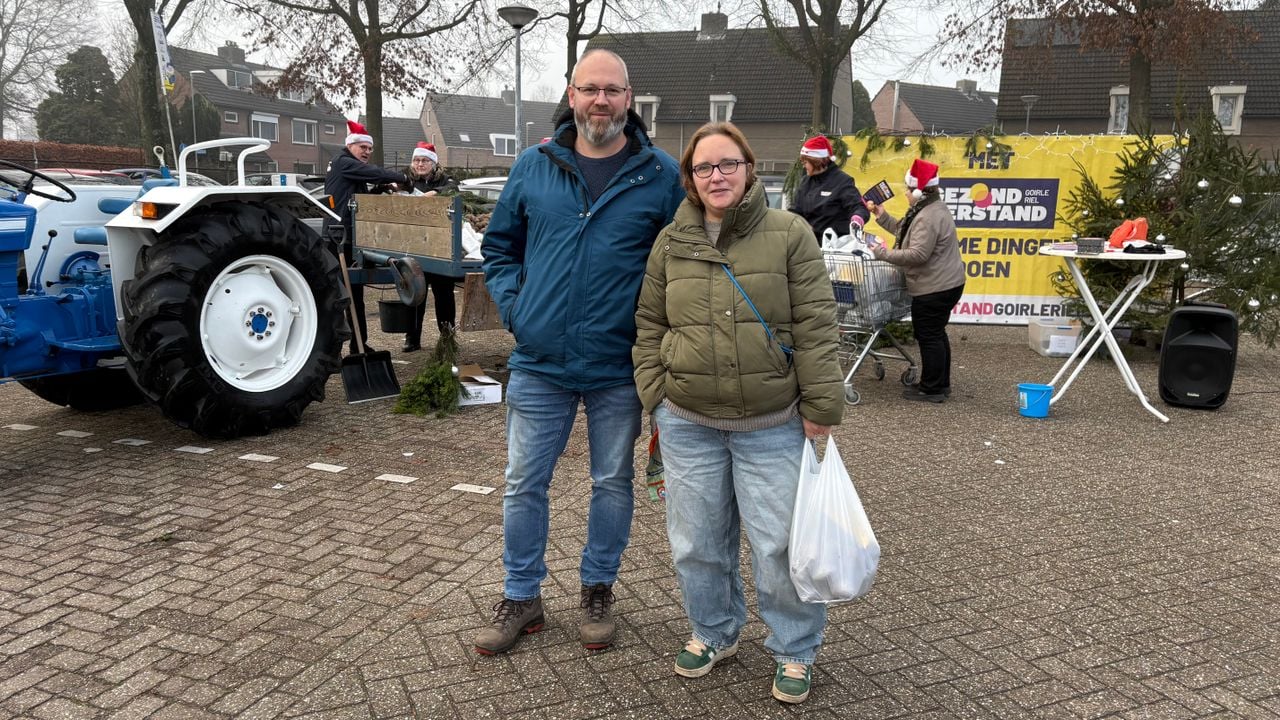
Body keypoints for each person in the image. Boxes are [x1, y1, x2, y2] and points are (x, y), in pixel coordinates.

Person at [476, 48, 685, 656]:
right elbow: (500, 248)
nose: (601, 100)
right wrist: (517, 310)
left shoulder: (659, 174)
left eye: (612, 90)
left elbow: (682, 261)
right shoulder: (534, 166)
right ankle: (522, 596)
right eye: (590, 89)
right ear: (571, 96)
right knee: (523, 483)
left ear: (629, 99)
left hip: (618, 363)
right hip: (541, 362)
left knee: (612, 482)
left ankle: (598, 588)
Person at [632, 122, 845, 705]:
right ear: (690, 179)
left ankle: (795, 646)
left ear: (750, 169)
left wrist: (821, 405)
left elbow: (817, 324)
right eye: (703, 167)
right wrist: (656, 393)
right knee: (696, 543)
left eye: (728, 163)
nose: (716, 176)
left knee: (779, 546)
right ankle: (713, 630)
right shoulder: (671, 241)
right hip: (688, 422)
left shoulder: (789, 233)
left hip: (771, 423)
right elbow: (649, 322)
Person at [863, 158, 966, 402]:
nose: (906, 193)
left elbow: (918, 254)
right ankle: (940, 384)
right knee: (936, 333)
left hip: (935, 287)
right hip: (946, 283)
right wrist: (881, 215)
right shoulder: (929, 208)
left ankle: (931, 389)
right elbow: (905, 231)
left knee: (929, 335)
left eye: (908, 190)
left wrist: (881, 253)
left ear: (919, 191)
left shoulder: (927, 216)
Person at [324, 120, 408, 354]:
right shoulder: (342, 162)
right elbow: (374, 173)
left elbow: (358, 196)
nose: (367, 152)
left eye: (370, 149)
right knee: (339, 297)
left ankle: (358, 345)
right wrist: (401, 177)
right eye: (363, 147)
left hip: (351, 237)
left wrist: (379, 190)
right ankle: (332, 349)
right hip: (338, 237)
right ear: (351, 145)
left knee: (355, 294)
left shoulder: (351, 168)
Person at [399, 142, 458, 351]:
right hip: (414, 246)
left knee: (444, 295)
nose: (420, 164)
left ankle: (447, 337)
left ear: (433, 163)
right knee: (415, 295)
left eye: (424, 160)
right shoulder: (406, 179)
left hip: (439, 248)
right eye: (416, 160)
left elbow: (452, 189)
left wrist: (430, 195)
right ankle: (412, 338)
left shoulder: (444, 179)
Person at [790, 135, 870, 243]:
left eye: (805, 163)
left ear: (816, 161)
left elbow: (858, 206)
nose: (804, 166)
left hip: (835, 245)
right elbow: (795, 210)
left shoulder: (842, 181)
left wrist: (857, 218)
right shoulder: (805, 182)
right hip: (808, 243)